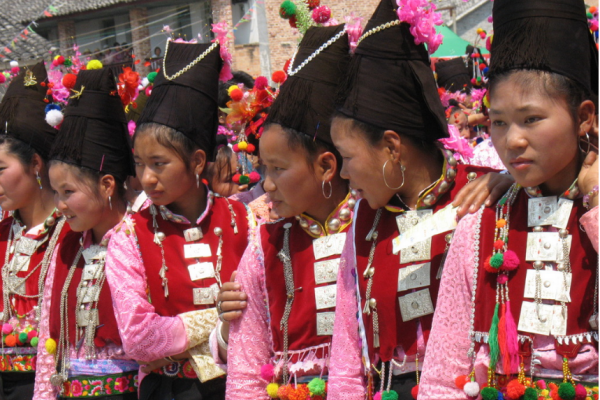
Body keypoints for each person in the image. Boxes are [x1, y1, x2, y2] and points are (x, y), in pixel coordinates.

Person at [325, 0, 512, 398]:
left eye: (349, 158)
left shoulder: (484, 195)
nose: (343, 173)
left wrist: (508, 184)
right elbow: (345, 356)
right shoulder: (362, 220)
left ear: (392, 147)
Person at [418, 0, 599, 398]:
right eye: (498, 122)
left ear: (584, 116)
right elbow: (440, 376)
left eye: (531, 119)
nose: (512, 140)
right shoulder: (480, 228)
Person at [105, 37, 250, 400]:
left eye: (159, 164)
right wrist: (220, 325)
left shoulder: (244, 219)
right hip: (170, 389)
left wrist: (180, 334)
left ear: (198, 161)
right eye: (139, 164)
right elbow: (139, 338)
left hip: (241, 384)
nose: (147, 177)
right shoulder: (128, 236)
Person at [223, 24, 358, 399]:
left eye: (279, 169)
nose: (266, 184)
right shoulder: (264, 248)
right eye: (264, 169)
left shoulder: (375, 231)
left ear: (327, 167)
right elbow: (245, 376)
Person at [34, 67, 138, 400]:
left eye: (68, 192)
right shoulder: (64, 245)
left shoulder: (142, 239)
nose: (60, 205)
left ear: (107, 184)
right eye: (55, 193)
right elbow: (47, 349)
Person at [0, 61, 68, 400]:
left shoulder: (72, 235)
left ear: (36, 165)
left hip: (50, 383)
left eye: (1, 168)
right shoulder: (2, 235)